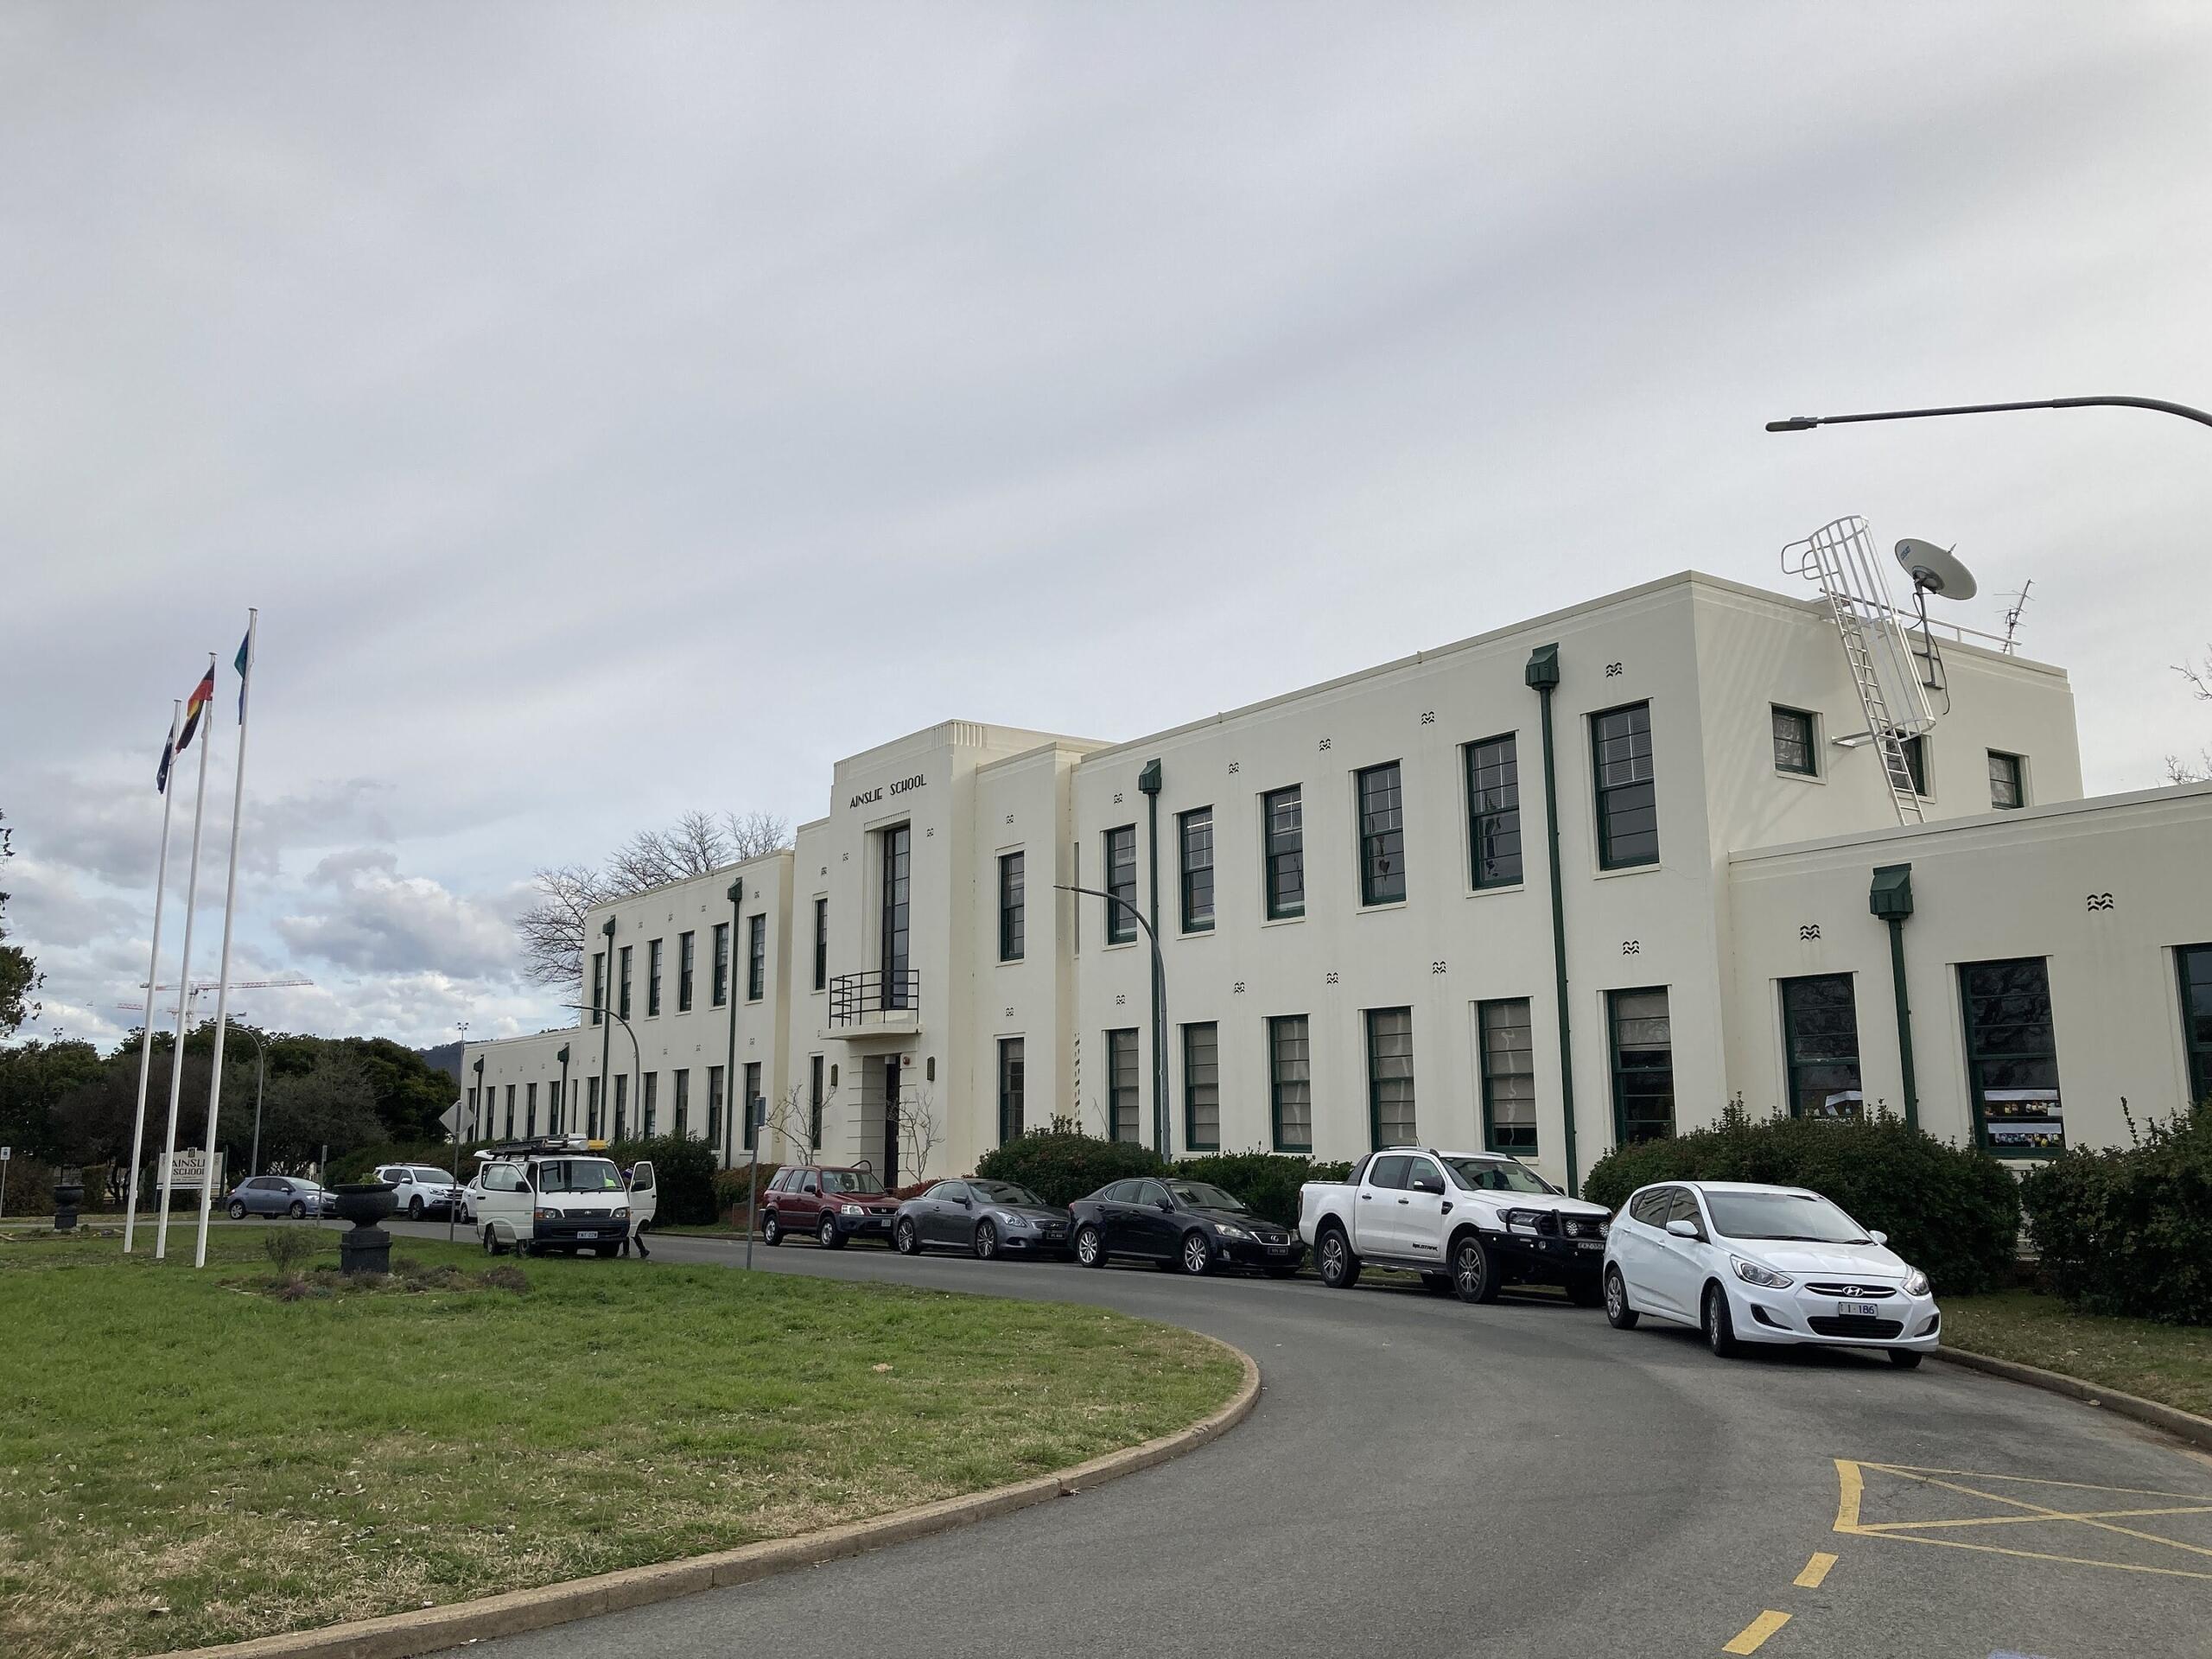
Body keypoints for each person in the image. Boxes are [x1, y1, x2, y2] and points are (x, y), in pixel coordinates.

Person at [620, 1166, 651, 1259]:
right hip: (627, 1211)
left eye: (625, 1177)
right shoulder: (626, 1187)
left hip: (631, 1212)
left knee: (631, 1233)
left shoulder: (632, 1188)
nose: (623, 1178)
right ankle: (642, 1251)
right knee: (630, 1233)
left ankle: (634, 1252)